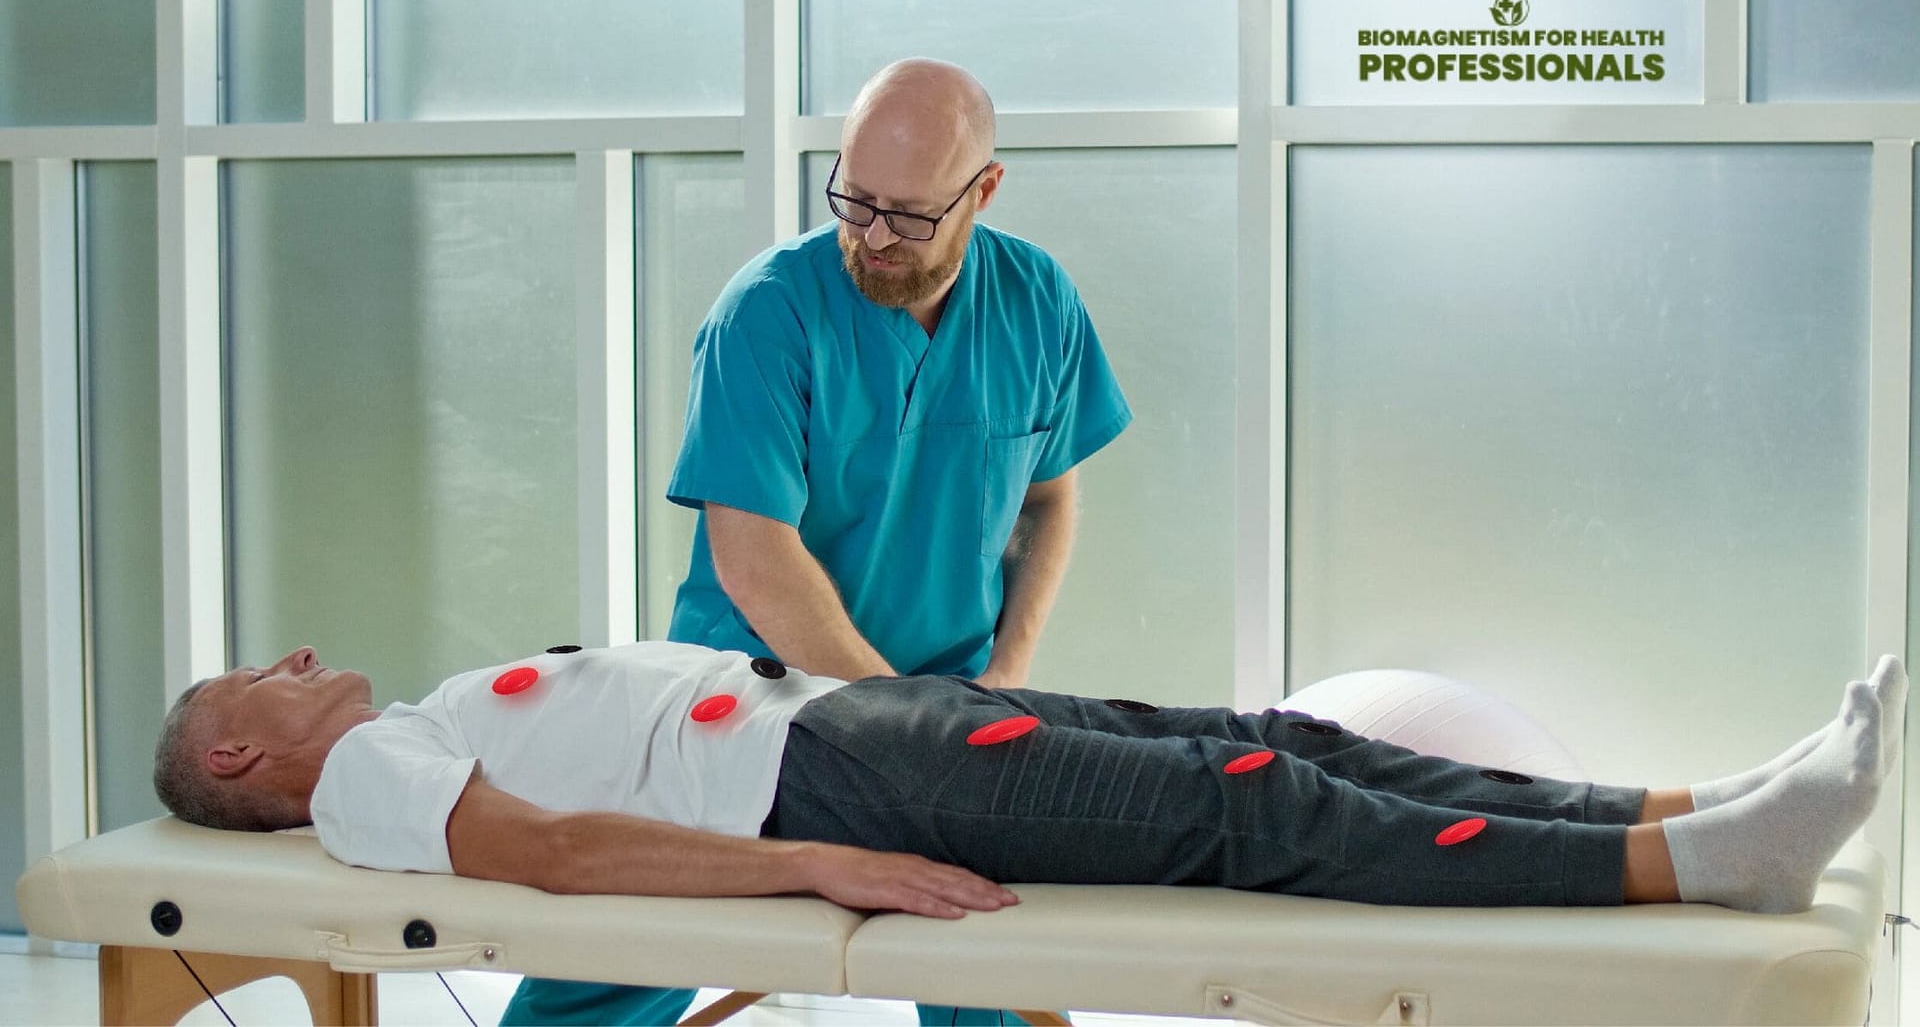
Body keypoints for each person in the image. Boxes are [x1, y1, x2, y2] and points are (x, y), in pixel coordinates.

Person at [154, 643, 1904, 935]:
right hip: (831, 771)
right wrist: (814, 869)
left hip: (855, 714)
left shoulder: (403, 731)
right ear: (240, 752)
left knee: (1279, 742)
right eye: (266, 673)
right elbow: (546, 861)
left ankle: (1682, 805)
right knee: (1250, 802)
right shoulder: (363, 781)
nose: (301, 655)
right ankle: (1700, 874)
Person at [635, 55, 1131, 1025]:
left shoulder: (1037, 301)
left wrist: (1003, 677)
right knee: (615, 953)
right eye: (854, 200)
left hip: (943, 703)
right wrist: (903, 729)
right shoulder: (767, 312)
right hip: (747, 710)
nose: (872, 235)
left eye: (908, 215)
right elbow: (754, 556)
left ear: (983, 191)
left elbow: (1045, 503)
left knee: (984, 964)